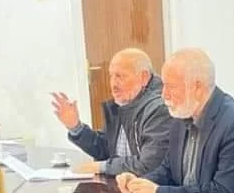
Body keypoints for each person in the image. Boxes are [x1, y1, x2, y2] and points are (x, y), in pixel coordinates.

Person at [116, 48, 234, 193]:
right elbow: (168, 170)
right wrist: (140, 183)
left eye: (171, 87)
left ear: (197, 87)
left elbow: (222, 192)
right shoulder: (181, 115)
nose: (164, 95)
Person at [51, 48, 171, 176]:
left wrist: (101, 167)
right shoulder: (122, 103)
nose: (113, 84)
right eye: (111, 76)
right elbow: (105, 150)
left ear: (144, 77)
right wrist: (75, 127)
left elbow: (150, 165)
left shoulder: (159, 109)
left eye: (120, 76)